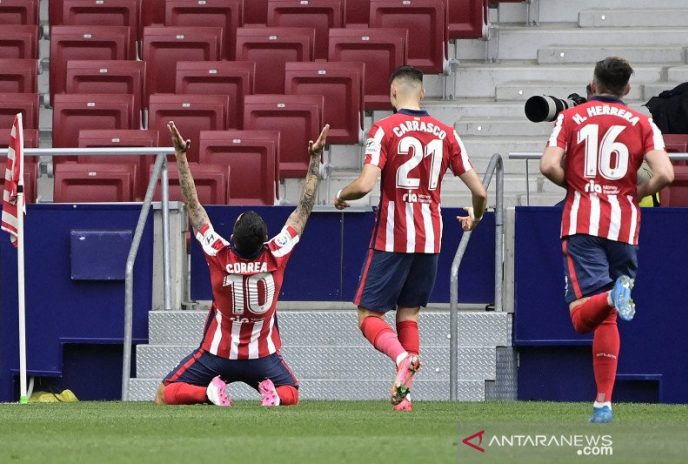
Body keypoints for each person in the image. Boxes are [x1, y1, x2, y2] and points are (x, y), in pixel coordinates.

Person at [334, 65, 487, 411]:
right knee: (409, 315)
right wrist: (476, 217)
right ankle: (405, 396)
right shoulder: (446, 133)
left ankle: (402, 357)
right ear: (422, 93)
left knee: (368, 315)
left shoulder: (383, 129)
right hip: (431, 240)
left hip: (393, 237)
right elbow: (479, 191)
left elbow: (365, 184)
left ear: (392, 94)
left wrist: (342, 194)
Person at [155, 121, 329, 407]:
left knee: (165, 394)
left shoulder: (219, 253)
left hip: (217, 353)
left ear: (233, 237)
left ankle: (208, 394)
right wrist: (314, 159)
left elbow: (193, 205)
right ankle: (270, 395)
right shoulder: (276, 253)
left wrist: (181, 156)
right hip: (263, 357)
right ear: (265, 240)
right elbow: (303, 209)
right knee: (292, 395)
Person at [540, 57, 674, 423]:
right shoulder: (643, 122)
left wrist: (579, 186)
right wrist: (634, 192)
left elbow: (549, 165)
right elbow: (665, 174)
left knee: (582, 316)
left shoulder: (571, 117)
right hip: (625, 227)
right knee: (607, 318)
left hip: (584, 222)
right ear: (627, 89)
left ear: (593, 84)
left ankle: (611, 296)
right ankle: (603, 403)